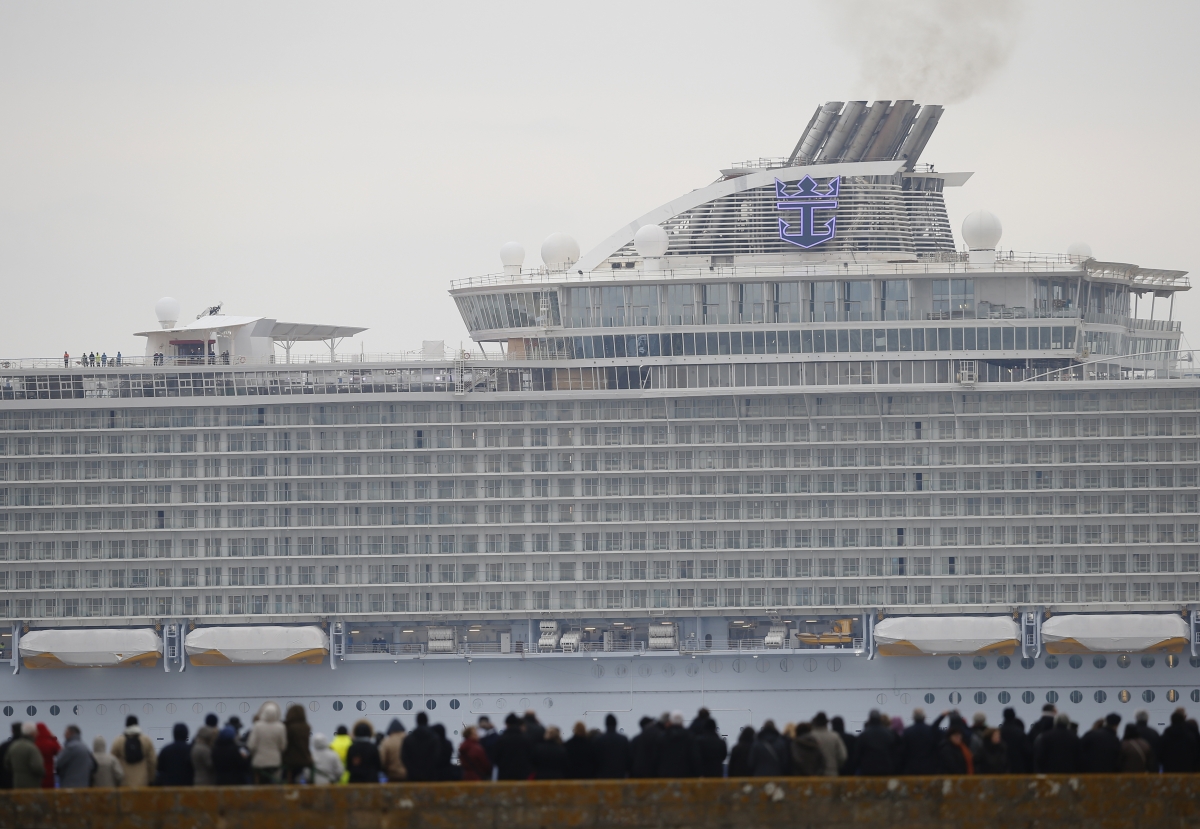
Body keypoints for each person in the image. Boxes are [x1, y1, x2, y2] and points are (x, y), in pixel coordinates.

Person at [111, 716, 156, 787]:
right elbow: (152, 762)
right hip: (143, 783)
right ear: (137, 724)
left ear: (126, 725)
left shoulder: (118, 741)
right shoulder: (146, 740)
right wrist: (151, 779)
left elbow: (112, 762)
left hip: (124, 784)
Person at [851, 710, 897, 776]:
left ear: (869, 719)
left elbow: (856, 756)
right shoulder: (889, 734)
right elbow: (895, 754)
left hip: (867, 771)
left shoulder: (863, 735)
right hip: (885, 771)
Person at [655, 711, 700, 778]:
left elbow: (656, 758)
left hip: (666, 777)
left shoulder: (662, 737)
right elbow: (695, 757)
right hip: (686, 776)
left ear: (670, 722)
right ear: (682, 722)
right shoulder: (690, 737)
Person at [1159, 707, 1199, 773]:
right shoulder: (1192, 730)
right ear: (1185, 716)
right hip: (1189, 770)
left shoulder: (1167, 731)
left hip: (1170, 770)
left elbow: (1161, 752)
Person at [4, 724, 44, 789]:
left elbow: (7, 763)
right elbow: (37, 767)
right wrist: (43, 774)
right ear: (32, 733)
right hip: (31, 783)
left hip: (17, 782)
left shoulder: (14, 746)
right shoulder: (32, 748)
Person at [401, 712, 438, 782]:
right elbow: (436, 756)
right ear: (427, 721)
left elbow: (404, 757)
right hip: (429, 777)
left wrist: (412, 770)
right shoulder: (434, 738)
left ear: (416, 721)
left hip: (412, 777)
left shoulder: (408, 739)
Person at [281, 704, 313, 784]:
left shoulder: (288, 727)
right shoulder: (306, 727)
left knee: (285, 780)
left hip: (290, 760)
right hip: (304, 759)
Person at [594, 713, 631, 779]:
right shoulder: (623, 739)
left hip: (603, 778)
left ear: (605, 724)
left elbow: (595, 761)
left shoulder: (599, 740)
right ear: (616, 724)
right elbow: (628, 760)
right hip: (620, 777)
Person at [809, 713, 846, 778]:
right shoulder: (834, 736)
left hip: (814, 775)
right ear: (826, 723)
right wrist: (835, 767)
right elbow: (842, 756)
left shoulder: (810, 736)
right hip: (832, 773)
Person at [999, 707, 1030, 774]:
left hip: (1003, 767)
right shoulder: (1019, 732)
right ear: (1014, 715)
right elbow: (1027, 750)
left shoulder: (1000, 732)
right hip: (1019, 765)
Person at [192, 716, 219, 786]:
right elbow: (211, 765)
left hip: (196, 779)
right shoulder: (205, 749)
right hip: (207, 780)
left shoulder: (195, 745)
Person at [32, 723, 59, 789]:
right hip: (49, 772)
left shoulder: (32, 744)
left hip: (35, 774)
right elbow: (59, 751)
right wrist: (53, 738)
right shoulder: (50, 744)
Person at [0, 723, 21, 789]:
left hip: (5, 781)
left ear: (12, 731)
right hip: (21, 782)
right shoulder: (29, 746)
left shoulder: (4, 746)